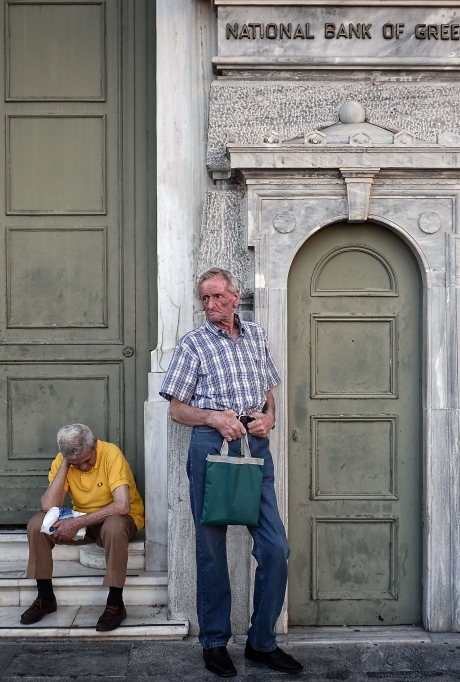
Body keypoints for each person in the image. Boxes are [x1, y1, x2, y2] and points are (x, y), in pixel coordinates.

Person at [160, 267, 303, 677]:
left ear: (235, 297)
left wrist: (270, 418)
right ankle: (215, 642)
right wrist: (212, 418)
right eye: (204, 299)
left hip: (254, 444)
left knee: (276, 549)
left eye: (217, 297)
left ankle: (261, 642)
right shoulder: (194, 344)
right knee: (211, 550)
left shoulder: (256, 336)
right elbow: (176, 408)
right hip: (211, 444)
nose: (210, 305)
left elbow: (268, 392)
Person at [20, 423, 145, 632]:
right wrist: (65, 465)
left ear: (94, 444)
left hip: (117, 518)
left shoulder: (111, 453)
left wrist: (77, 523)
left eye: (86, 460)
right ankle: (45, 597)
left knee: (114, 527)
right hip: (84, 520)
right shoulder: (65, 461)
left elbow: (122, 505)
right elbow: (49, 505)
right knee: (36, 525)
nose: (83, 467)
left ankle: (115, 603)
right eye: (76, 464)